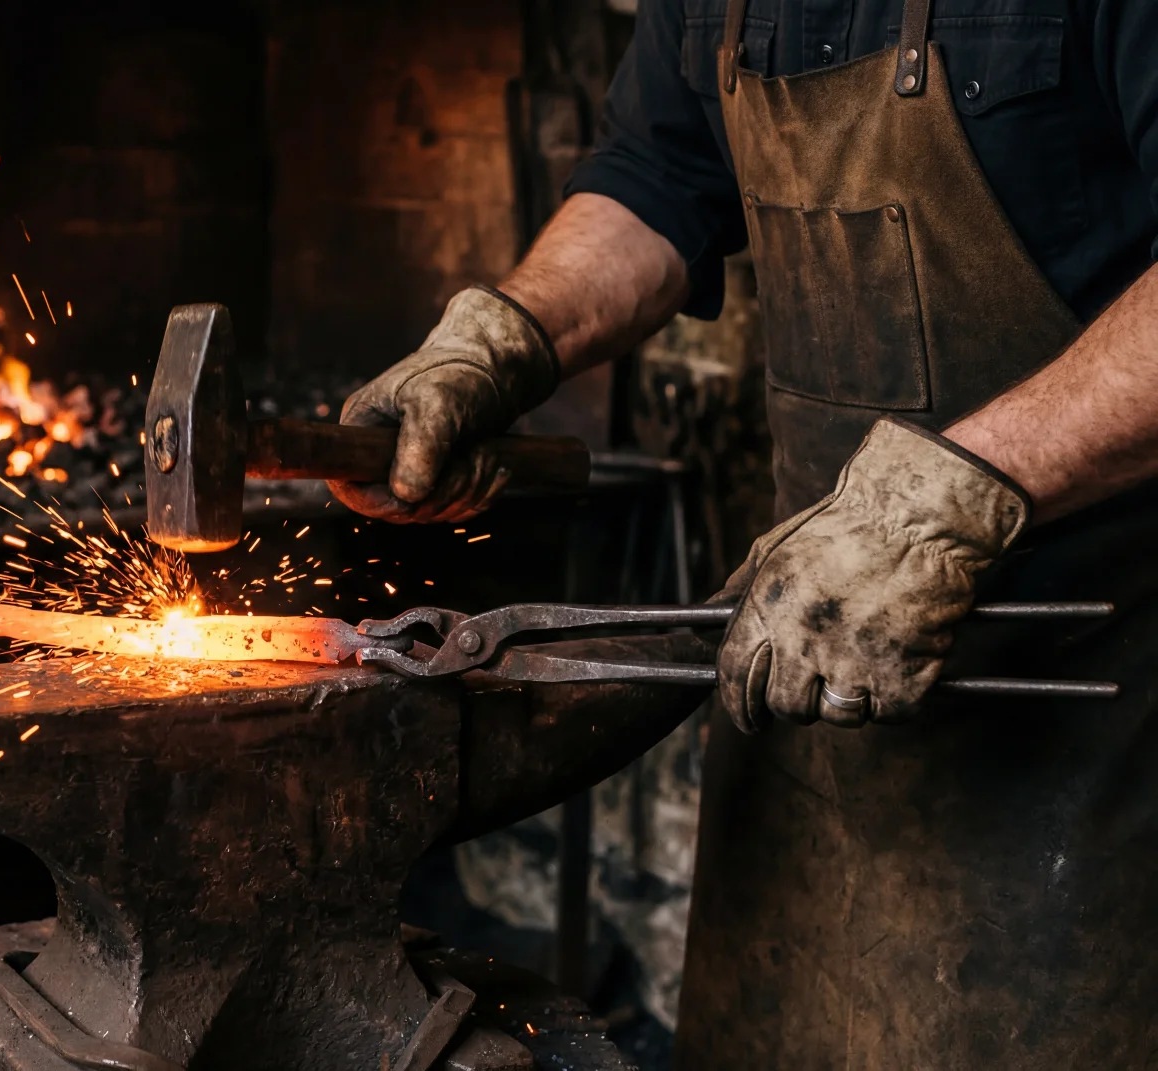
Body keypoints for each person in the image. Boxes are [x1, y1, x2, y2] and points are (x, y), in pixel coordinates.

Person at [331, 1, 1158, 1065]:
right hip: (804, 678)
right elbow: (656, 176)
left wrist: (955, 495)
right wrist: (506, 337)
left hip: (1101, 714)